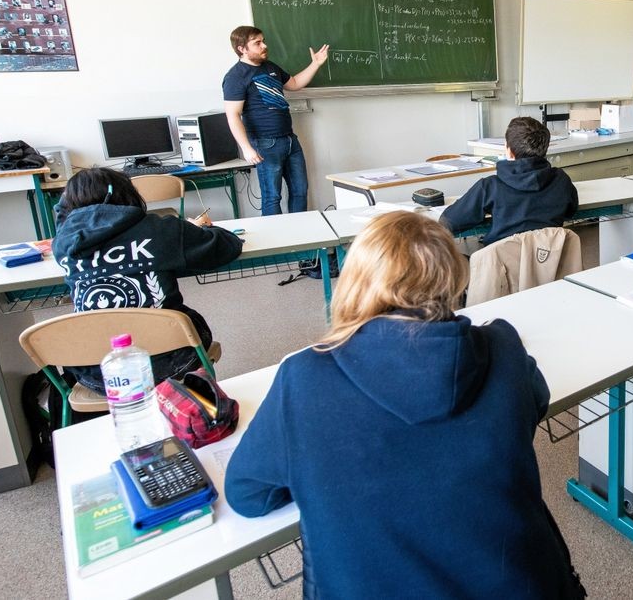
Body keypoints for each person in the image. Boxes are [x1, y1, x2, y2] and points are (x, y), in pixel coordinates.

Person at [225, 211, 584, 598]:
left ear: (357, 281)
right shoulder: (503, 348)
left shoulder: (304, 377)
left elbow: (248, 494)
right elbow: (535, 404)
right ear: (452, 277)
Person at [52, 168, 243, 394]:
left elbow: (64, 219)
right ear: (127, 193)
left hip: (96, 370)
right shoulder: (161, 229)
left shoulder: (63, 243)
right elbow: (227, 246)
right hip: (170, 361)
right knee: (190, 321)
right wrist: (202, 229)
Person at [222, 25, 329, 215]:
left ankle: (301, 240)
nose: (264, 45)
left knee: (300, 191)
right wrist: (247, 148)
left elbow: (294, 84)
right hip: (265, 143)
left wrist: (316, 64)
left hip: (289, 139)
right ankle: (279, 242)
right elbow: (232, 115)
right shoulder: (235, 77)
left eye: (263, 40)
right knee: (272, 196)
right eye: (257, 43)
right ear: (242, 48)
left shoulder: (270, 67)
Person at [440, 116, 578, 245]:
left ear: (509, 151)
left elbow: (449, 221)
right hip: (547, 263)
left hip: (502, 267)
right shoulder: (561, 180)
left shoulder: (489, 187)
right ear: (545, 149)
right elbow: (570, 211)